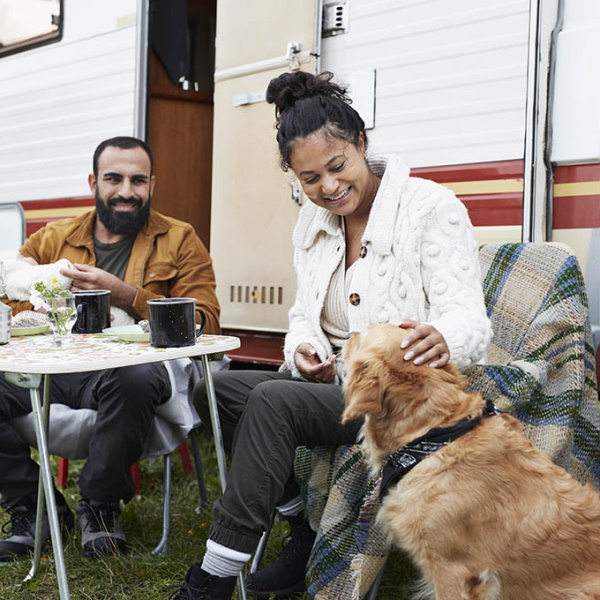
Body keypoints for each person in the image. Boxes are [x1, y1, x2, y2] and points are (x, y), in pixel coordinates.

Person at [170, 71, 492, 600]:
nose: (329, 187)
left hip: (406, 392)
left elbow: (468, 316)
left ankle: (215, 575)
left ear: (362, 143)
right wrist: (306, 349)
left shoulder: (429, 207)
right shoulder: (312, 226)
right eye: (310, 179)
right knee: (216, 387)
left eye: (337, 166)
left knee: (272, 400)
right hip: (341, 386)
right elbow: (304, 314)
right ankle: (302, 532)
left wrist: (444, 336)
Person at [0, 136, 220, 561]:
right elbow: (12, 293)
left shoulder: (179, 238)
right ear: (93, 182)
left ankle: (99, 507)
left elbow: (206, 319)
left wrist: (123, 294)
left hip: (129, 375)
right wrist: (44, 291)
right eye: (113, 178)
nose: (126, 191)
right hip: (55, 372)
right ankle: (33, 504)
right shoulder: (55, 237)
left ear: (152, 185)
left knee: (133, 374)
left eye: (138, 180)